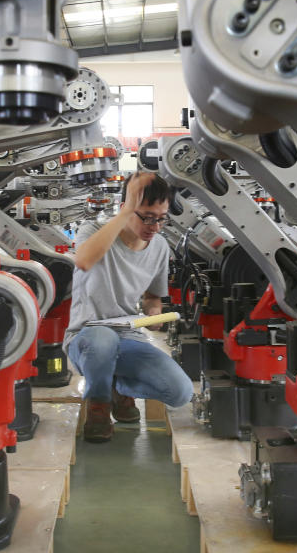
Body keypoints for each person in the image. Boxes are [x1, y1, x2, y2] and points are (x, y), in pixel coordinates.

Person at [66, 171, 194, 443]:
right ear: (126, 208)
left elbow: (152, 298)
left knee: (180, 391)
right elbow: (84, 261)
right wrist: (124, 213)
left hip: (128, 336)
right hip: (86, 337)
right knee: (102, 340)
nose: (155, 226)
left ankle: (114, 385)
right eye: (147, 217)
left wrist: (155, 313)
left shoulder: (159, 247)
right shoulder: (93, 232)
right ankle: (98, 406)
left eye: (161, 219)